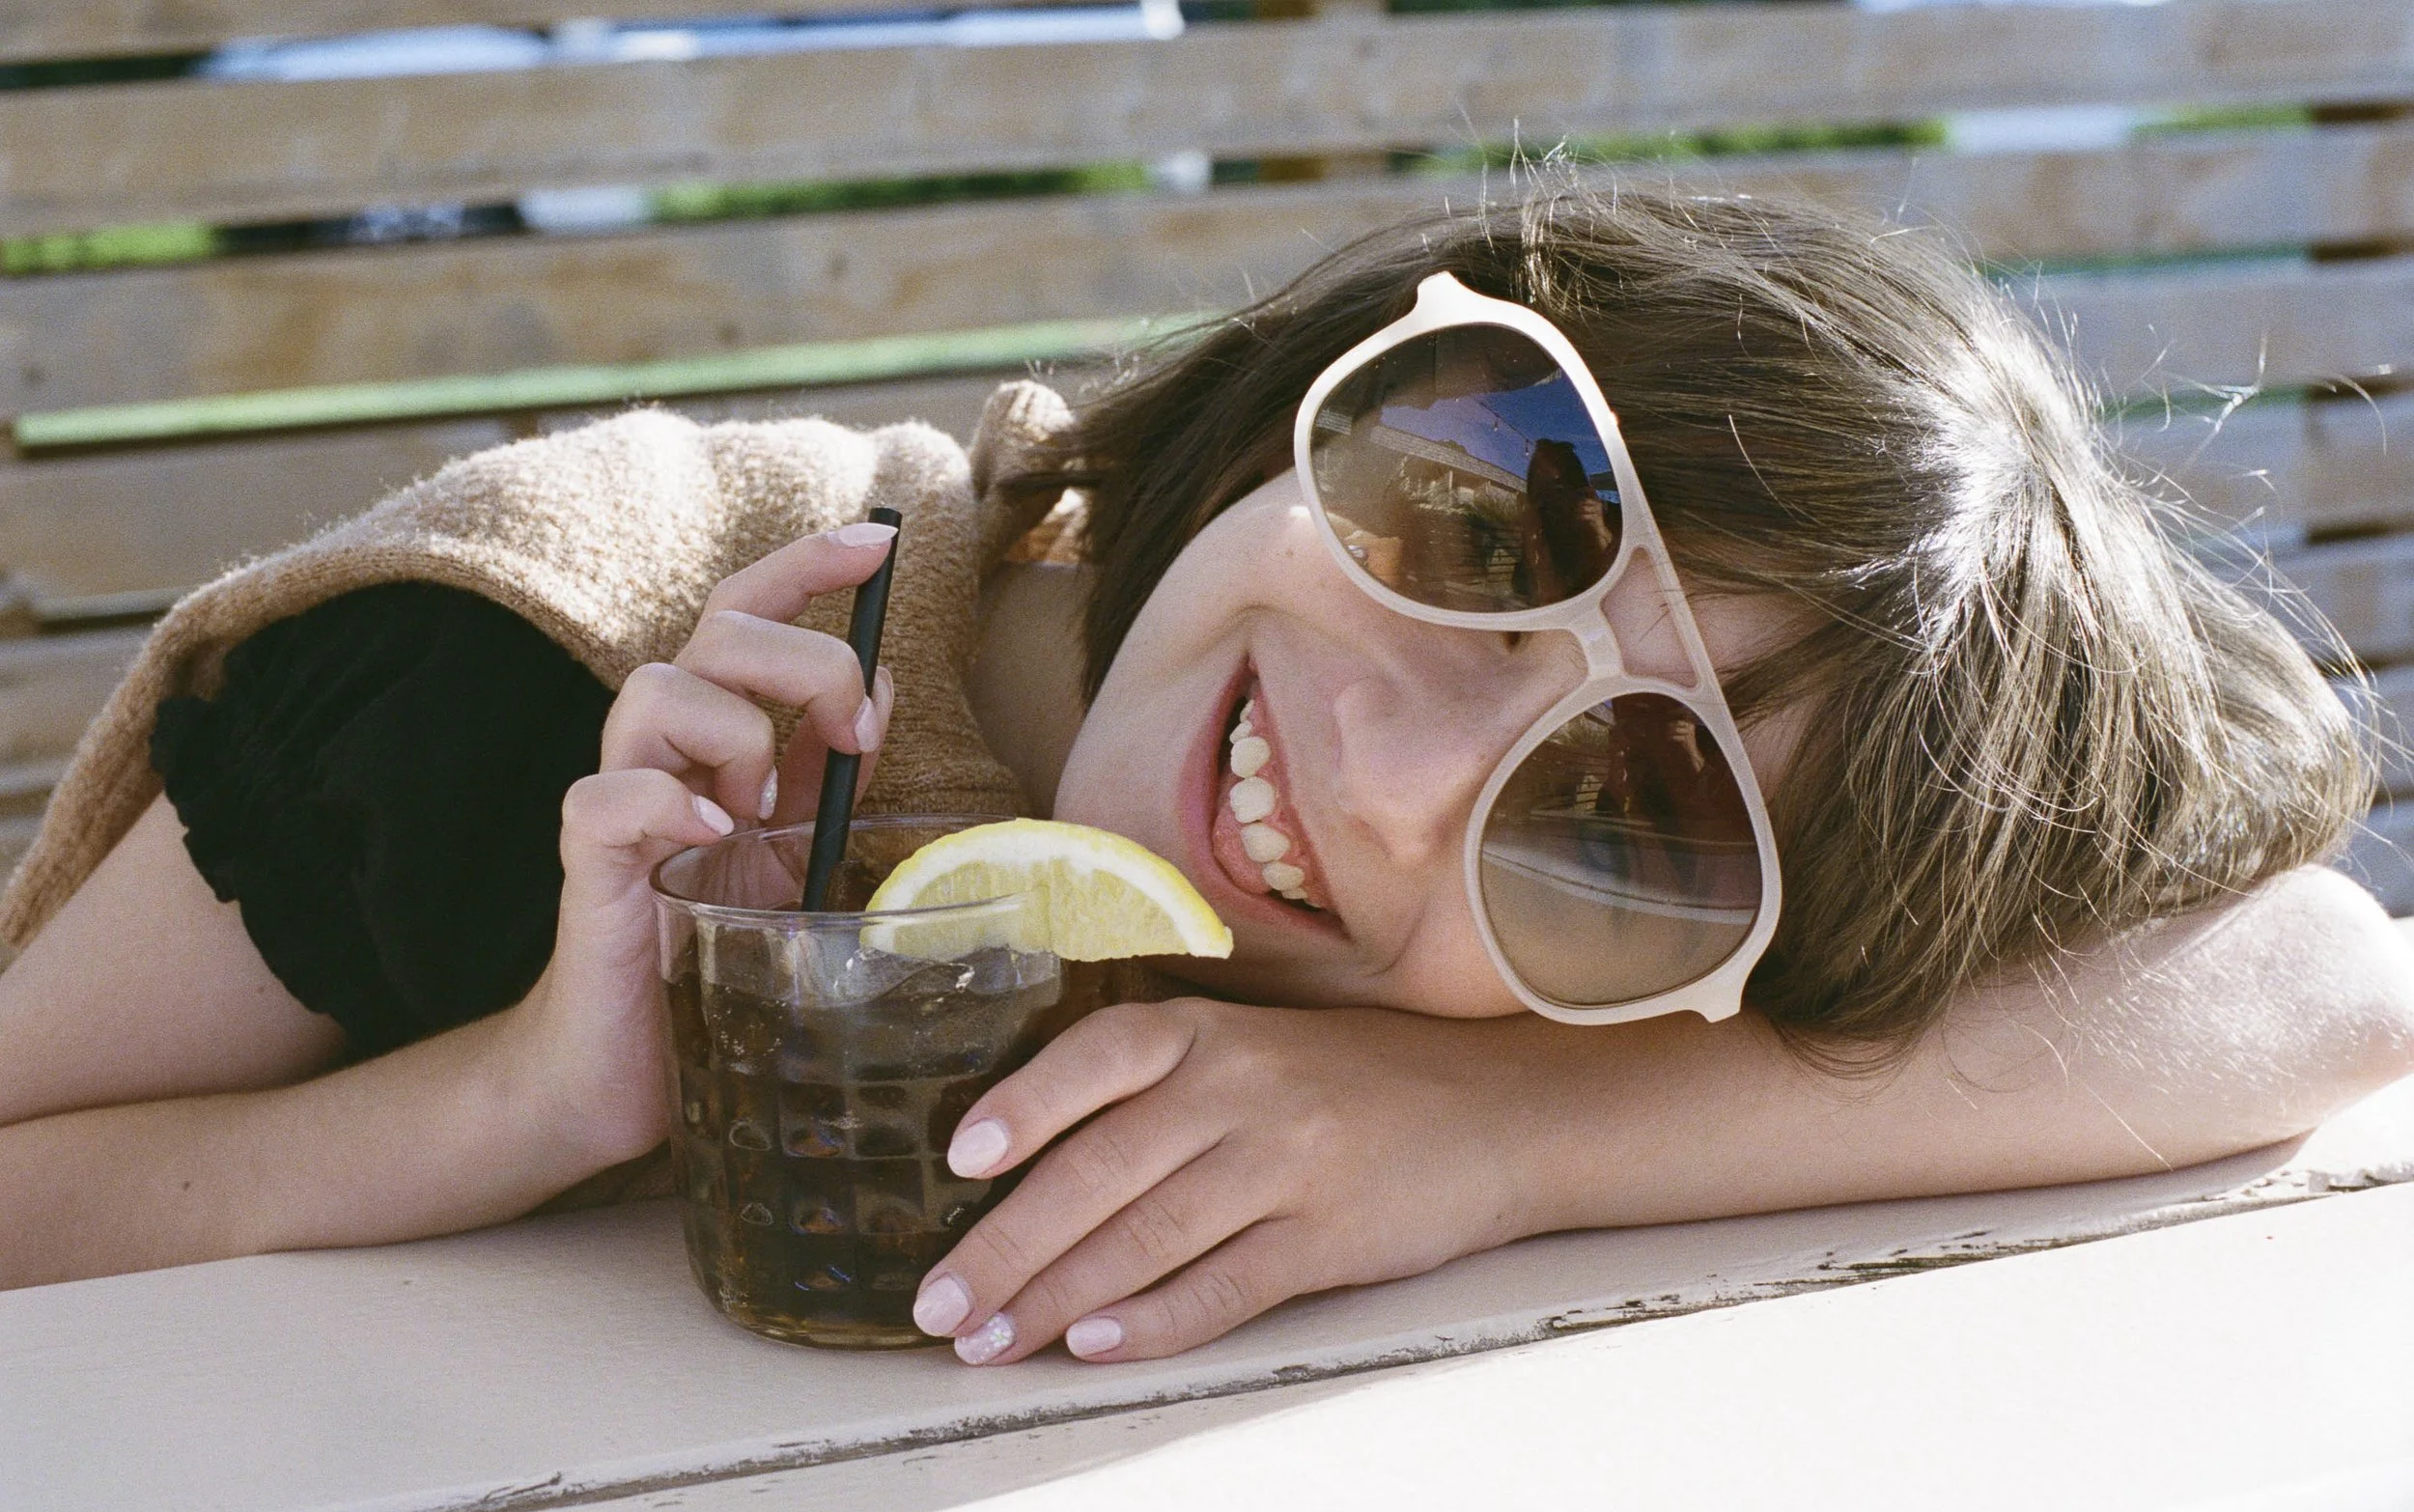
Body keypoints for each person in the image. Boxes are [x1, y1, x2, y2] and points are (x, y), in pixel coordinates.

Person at [0, 185, 2406, 1367]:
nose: (1382, 782)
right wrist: (521, 1101)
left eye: (1619, 824)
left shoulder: (1527, 1031)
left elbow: (2315, 977)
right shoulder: (551, 676)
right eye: (1470, 521)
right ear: (1368, 364)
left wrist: (1502, 1144)